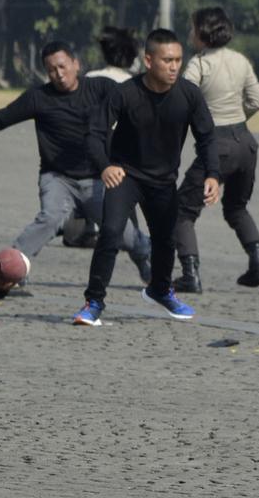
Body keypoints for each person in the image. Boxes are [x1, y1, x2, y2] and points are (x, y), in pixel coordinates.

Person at [0, 41, 151, 282]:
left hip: (97, 179)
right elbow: (1, 119)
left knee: (122, 232)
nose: (59, 74)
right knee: (50, 218)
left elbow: (135, 104)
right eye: (52, 69)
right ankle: (6, 271)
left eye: (63, 66)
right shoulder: (38, 97)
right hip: (57, 178)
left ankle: (149, 264)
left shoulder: (101, 88)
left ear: (76, 64)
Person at [74, 29, 219, 326]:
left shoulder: (189, 94)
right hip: (124, 176)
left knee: (166, 240)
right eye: (167, 60)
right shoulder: (125, 93)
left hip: (163, 181)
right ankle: (94, 302)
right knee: (111, 233)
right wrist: (104, 165)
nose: (175, 66)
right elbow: (95, 133)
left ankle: (160, 290)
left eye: (178, 59)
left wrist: (213, 175)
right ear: (149, 60)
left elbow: (206, 138)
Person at [172, 6, 259, 294]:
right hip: (247, 144)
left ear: (202, 32)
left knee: (182, 211)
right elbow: (257, 100)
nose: (190, 34)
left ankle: (190, 273)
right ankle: (258, 261)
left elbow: (181, 102)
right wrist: (239, 118)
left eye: (192, 28)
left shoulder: (198, 65)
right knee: (237, 207)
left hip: (217, 146)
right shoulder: (240, 60)